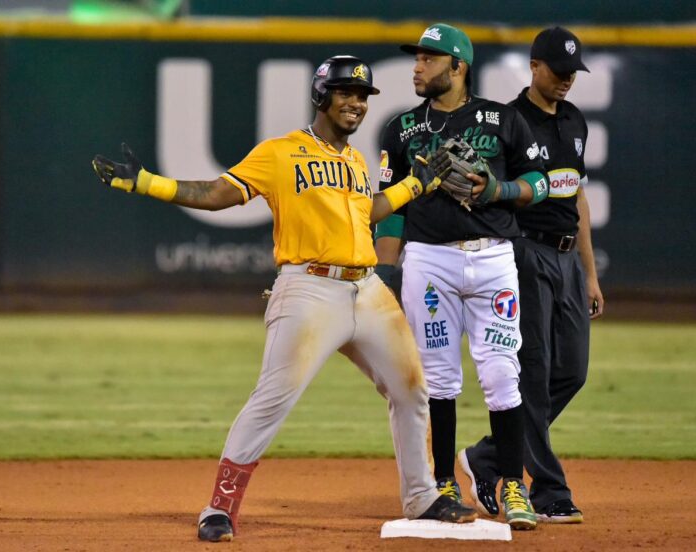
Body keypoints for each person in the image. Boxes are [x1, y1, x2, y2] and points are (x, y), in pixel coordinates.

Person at [92, 55, 477, 543]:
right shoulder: (281, 152)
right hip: (308, 289)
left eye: (363, 96)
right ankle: (219, 508)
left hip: (367, 289)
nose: (356, 103)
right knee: (272, 399)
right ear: (321, 96)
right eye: (346, 93)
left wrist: (415, 184)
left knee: (412, 389)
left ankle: (421, 496)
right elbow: (218, 193)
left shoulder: (355, 161)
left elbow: (367, 213)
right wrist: (149, 183)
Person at [375, 24, 549, 531]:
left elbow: (539, 183)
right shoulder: (401, 129)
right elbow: (390, 212)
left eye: (428, 59)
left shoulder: (503, 119)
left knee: (501, 374)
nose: (417, 67)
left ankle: (512, 483)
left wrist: (498, 191)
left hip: (494, 257)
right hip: (429, 260)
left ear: (458, 67)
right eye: (416, 58)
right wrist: (385, 272)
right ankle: (444, 483)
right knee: (438, 377)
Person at [457, 27, 605, 525]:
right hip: (524, 253)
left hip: (566, 259)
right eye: (558, 71)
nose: (567, 79)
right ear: (534, 66)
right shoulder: (507, 121)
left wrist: (589, 274)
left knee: (572, 372)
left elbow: (578, 197)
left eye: (572, 72)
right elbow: (488, 193)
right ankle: (549, 490)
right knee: (534, 376)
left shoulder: (574, 120)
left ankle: (486, 455)